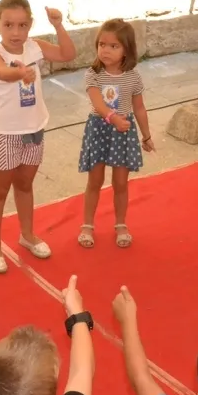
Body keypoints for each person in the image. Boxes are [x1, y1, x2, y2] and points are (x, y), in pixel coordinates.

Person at [0, 0, 76, 273]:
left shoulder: (35, 47)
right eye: (8, 25)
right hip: (4, 133)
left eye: (22, 25)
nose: (15, 32)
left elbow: (67, 54)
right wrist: (20, 74)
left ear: (30, 25)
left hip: (34, 128)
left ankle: (27, 235)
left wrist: (58, 25)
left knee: (25, 185)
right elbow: (1, 72)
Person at [78, 18, 154, 249]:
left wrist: (146, 135)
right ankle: (87, 225)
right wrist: (113, 118)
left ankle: (121, 224)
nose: (106, 50)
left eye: (114, 46)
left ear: (126, 50)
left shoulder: (133, 76)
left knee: (121, 183)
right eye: (102, 44)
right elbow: (98, 103)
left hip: (123, 133)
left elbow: (139, 107)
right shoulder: (93, 74)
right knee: (95, 180)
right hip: (99, 129)